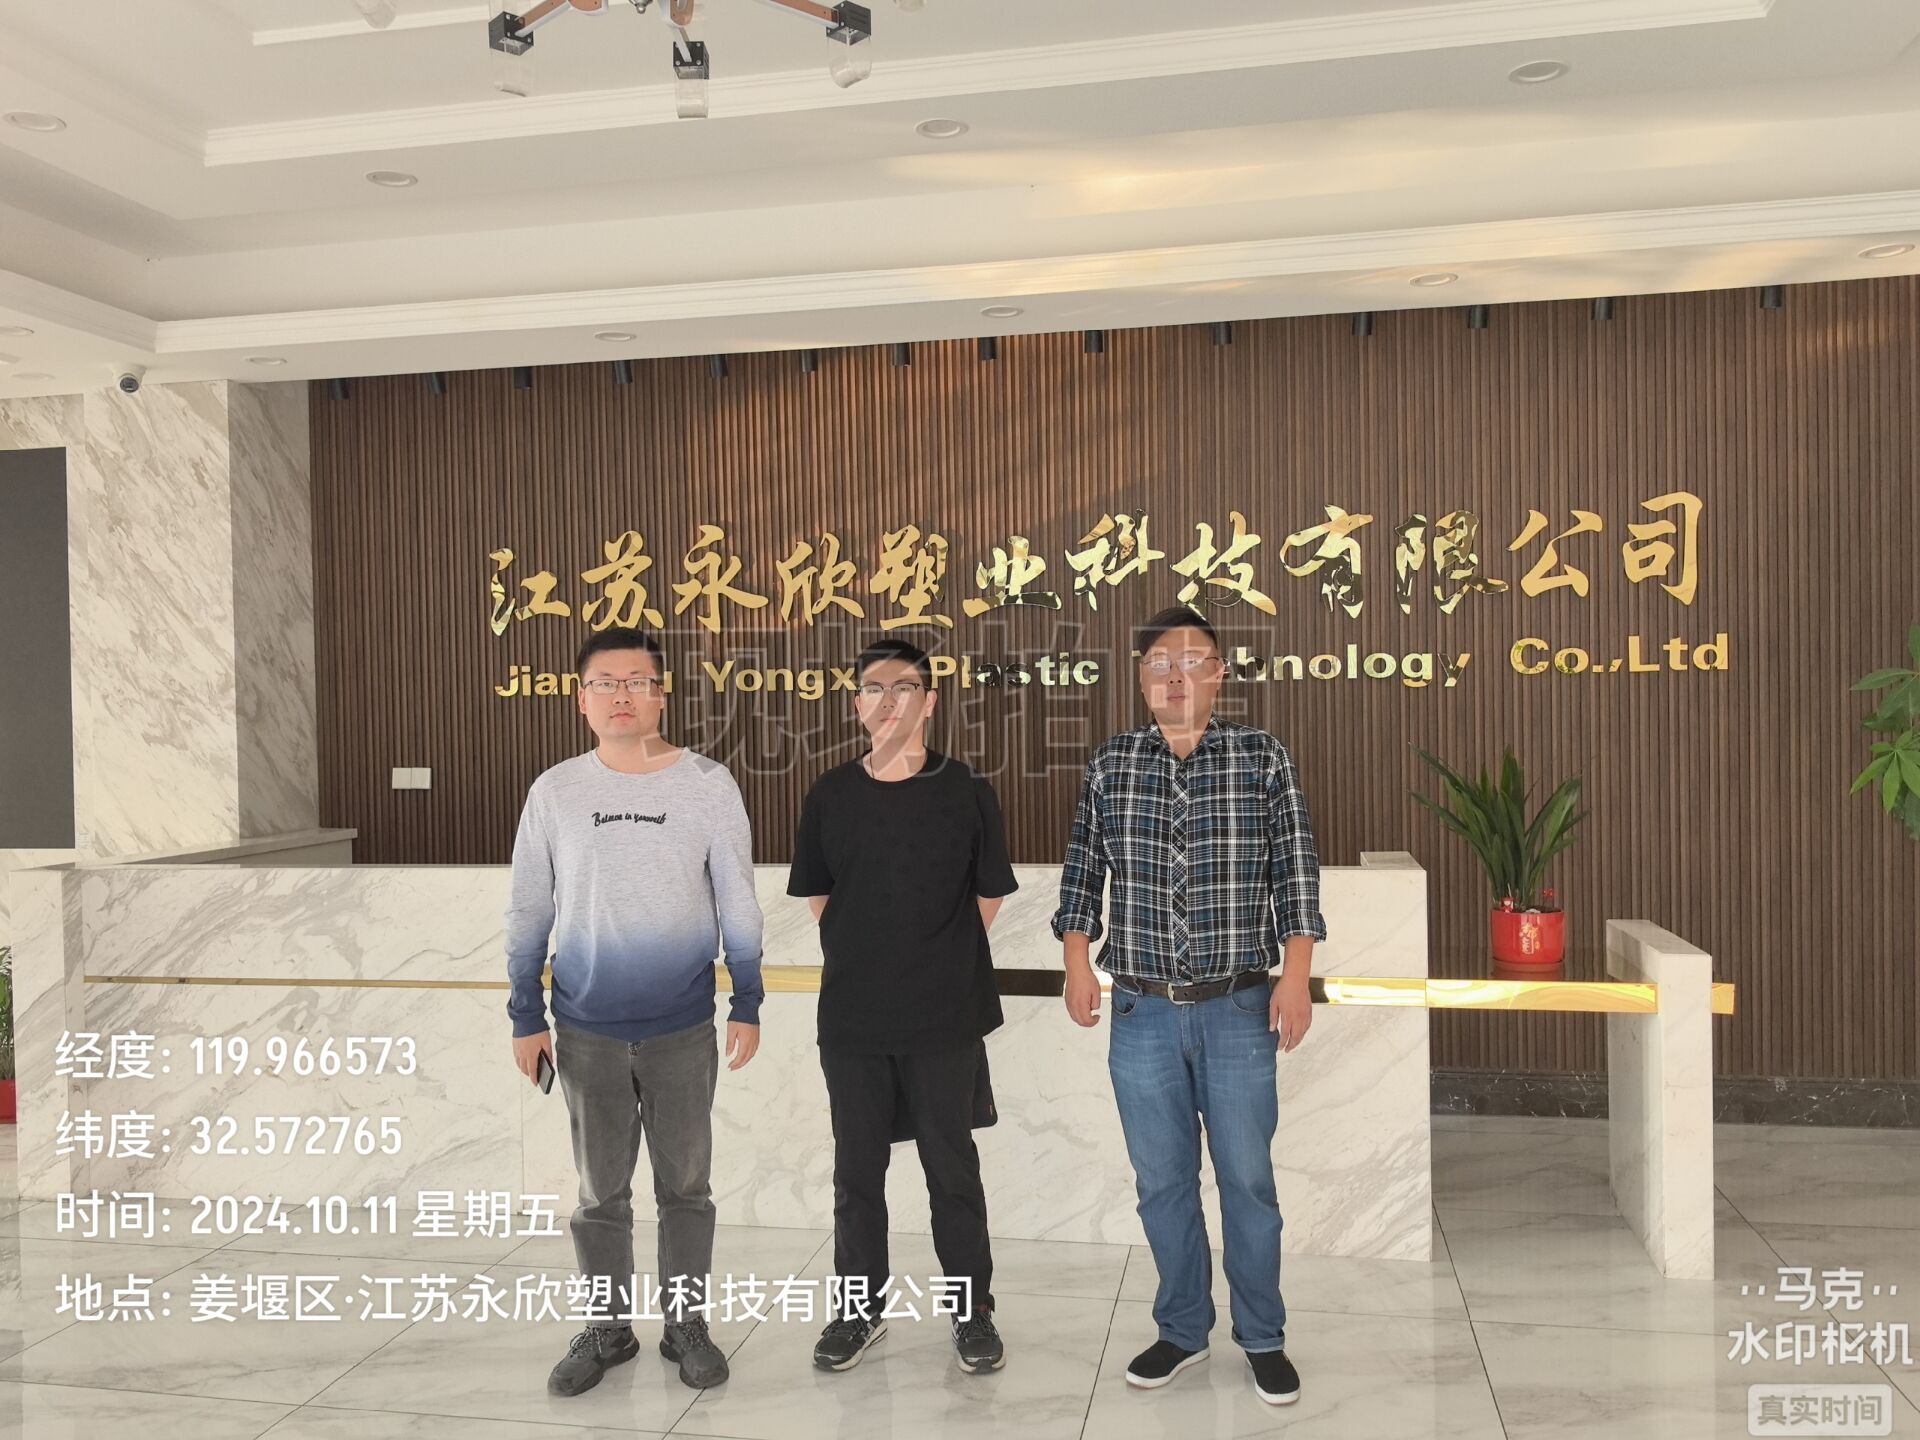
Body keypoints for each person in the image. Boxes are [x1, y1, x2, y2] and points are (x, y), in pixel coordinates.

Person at [1052, 605, 1326, 1407]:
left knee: (1248, 1181)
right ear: (1142, 680)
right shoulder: (1112, 763)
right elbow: (1082, 869)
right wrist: (1076, 960)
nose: (1176, 676)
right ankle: (1181, 1329)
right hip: (1140, 1012)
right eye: (1160, 665)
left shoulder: (1260, 756)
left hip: (1238, 1006)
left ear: (1219, 673)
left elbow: (1295, 869)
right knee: (1162, 1181)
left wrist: (1296, 974)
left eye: (1192, 661)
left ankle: (1263, 1336)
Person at [504, 625, 765, 1397]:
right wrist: (525, 1014)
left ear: (661, 694)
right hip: (584, 1029)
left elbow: (737, 900)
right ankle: (608, 1329)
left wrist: (747, 999)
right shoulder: (555, 792)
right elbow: (529, 910)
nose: (621, 695)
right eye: (605, 682)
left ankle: (687, 1326)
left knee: (686, 1187)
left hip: (682, 1026)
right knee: (599, 1195)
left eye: (637, 681)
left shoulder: (708, 784)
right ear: (581, 700)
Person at [788, 636, 1018, 1376]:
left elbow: (988, 898)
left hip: (945, 1015)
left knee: (952, 1171)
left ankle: (972, 1311)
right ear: (856, 704)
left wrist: (930, 958)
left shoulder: (966, 791)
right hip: (853, 1017)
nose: (889, 701)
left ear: (930, 701)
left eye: (905, 688)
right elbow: (821, 898)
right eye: (875, 689)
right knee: (856, 1175)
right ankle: (858, 1312)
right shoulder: (830, 794)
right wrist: (877, 953)